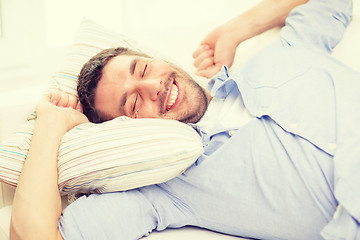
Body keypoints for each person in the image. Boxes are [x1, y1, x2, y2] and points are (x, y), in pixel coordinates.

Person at [9, 0, 360, 239]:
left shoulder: (280, 55)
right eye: (132, 103)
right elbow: (34, 234)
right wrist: (50, 123)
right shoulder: (168, 190)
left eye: (143, 69)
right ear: (127, 128)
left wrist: (238, 28)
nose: (152, 87)